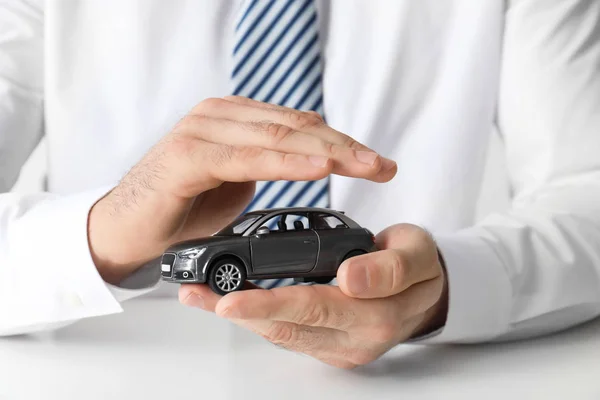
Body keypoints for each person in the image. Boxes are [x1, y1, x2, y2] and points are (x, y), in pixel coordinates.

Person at [1, 0, 599, 369]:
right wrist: (100, 234)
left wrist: (446, 286)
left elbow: (588, 189)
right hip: (98, 372)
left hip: (408, 380)